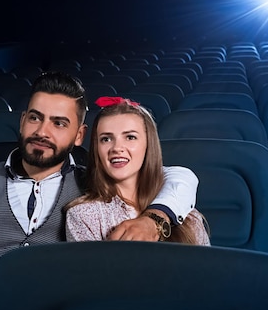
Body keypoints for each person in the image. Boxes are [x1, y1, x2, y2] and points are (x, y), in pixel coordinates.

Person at [0, 71, 199, 271]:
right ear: (23, 122)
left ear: (79, 135)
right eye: (35, 118)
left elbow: (179, 177)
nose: (43, 131)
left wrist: (155, 218)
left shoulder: (96, 184)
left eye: (59, 123)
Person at [65, 96, 210, 245]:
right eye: (106, 139)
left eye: (130, 137)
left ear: (148, 145)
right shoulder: (83, 216)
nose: (117, 148)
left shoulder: (186, 214)